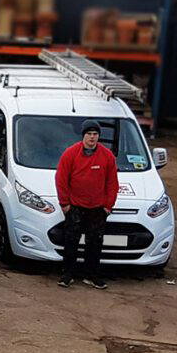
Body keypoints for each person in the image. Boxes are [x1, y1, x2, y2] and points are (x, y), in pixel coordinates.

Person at [54, 119, 120, 290]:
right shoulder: (70, 154)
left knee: (95, 243)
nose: (92, 137)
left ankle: (92, 276)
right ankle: (67, 274)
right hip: (75, 207)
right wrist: (65, 204)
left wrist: (107, 206)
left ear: (99, 136)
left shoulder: (107, 157)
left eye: (95, 134)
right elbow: (61, 179)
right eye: (89, 134)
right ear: (83, 136)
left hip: (97, 209)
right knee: (71, 241)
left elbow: (113, 183)